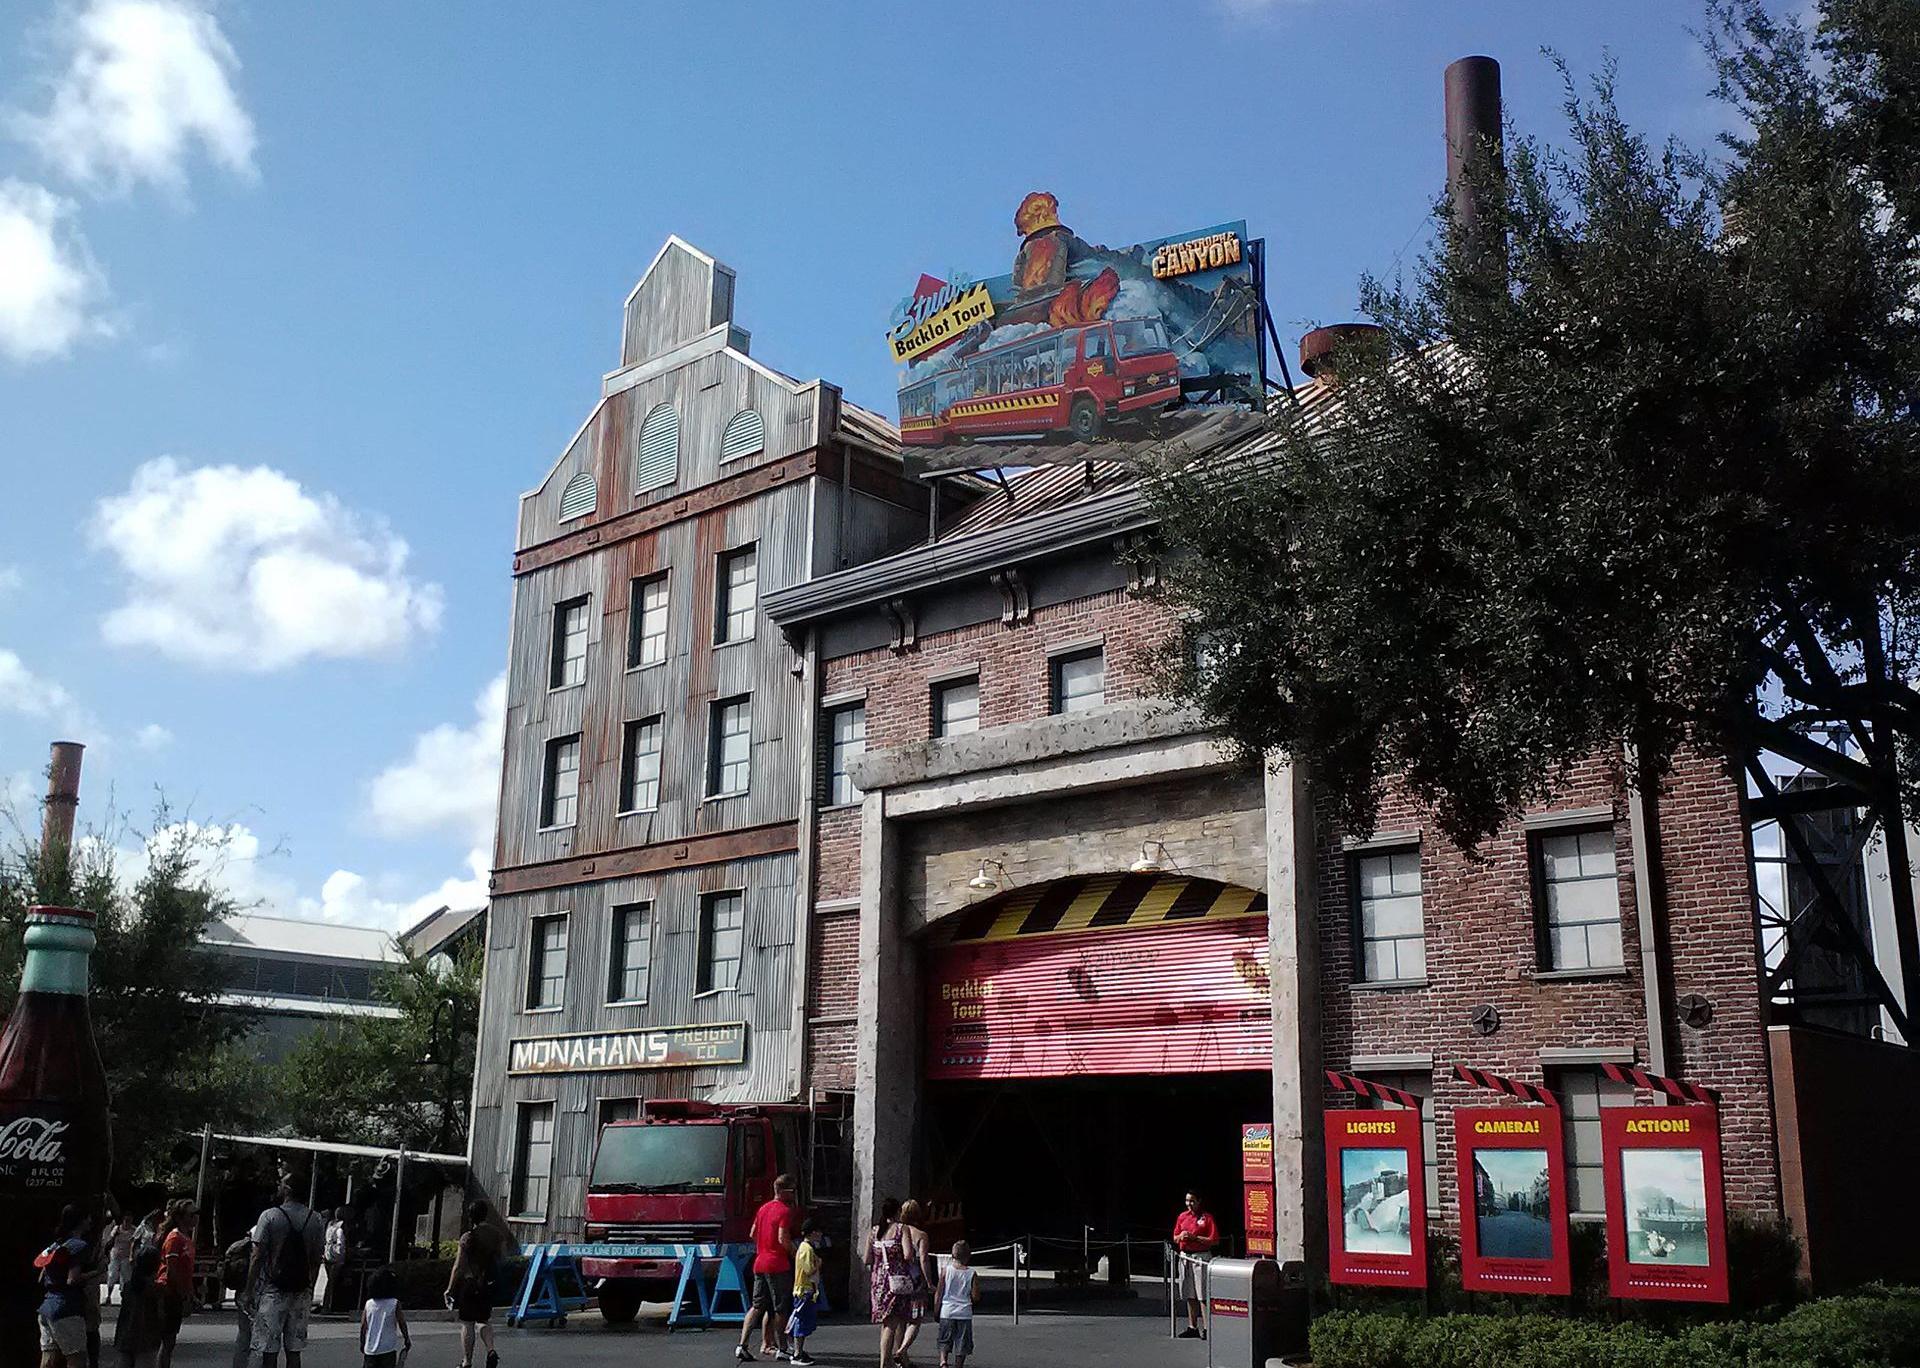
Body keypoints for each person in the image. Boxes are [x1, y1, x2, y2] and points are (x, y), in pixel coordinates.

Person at [244, 1175, 325, 1368]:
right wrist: (310, 1285)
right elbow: (316, 1257)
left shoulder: (270, 1216)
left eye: (281, 1183)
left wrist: (249, 1289)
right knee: (294, 1350)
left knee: (269, 1349)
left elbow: (257, 1256)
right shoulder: (315, 1218)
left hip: (273, 1288)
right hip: (301, 1289)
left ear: (287, 1189)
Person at [735, 1173, 798, 1364]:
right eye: (792, 1191)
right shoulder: (784, 1211)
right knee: (780, 1307)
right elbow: (782, 1238)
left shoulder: (763, 1209)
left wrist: (763, 1246)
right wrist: (795, 1253)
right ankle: (782, 1348)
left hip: (760, 1262)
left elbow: (753, 1233)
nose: (794, 1195)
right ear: (784, 1191)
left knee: (757, 1306)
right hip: (777, 1264)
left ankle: (742, 1345)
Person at [445, 1200, 502, 1368]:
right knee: (484, 1320)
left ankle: (467, 1361)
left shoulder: (468, 1237)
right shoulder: (496, 1234)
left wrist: (449, 1288)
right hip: (488, 1283)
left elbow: (458, 1266)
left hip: (470, 1284)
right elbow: (502, 1257)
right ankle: (491, 1350)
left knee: (468, 1323)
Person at [870, 1199, 926, 1368]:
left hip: (878, 1281)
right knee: (891, 1324)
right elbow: (908, 1254)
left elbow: (867, 1257)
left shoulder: (874, 1230)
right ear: (896, 1213)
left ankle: (886, 1361)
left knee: (886, 1323)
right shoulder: (902, 1229)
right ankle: (884, 1363)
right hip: (896, 1281)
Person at [34, 1205, 92, 1368]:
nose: (90, 1221)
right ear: (81, 1221)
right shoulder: (80, 1246)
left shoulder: (55, 1245)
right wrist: (96, 1273)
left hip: (47, 1308)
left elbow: (41, 1278)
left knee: (48, 1361)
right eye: (88, 1218)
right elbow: (72, 1280)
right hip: (68, 1309)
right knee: (77, 1359)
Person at [154, 1200, 198, 1368]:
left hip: (178, 1293)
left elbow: (187, 1271)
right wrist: (183, 1295)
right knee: (166, 1339)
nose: (195, 1218)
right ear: (181, 1218)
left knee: (170, 1341)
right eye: (191, 1215)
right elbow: (172, 1271)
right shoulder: (174, 1238)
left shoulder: (187, 1238)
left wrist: (192, 1294)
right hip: (169, 1293)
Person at [1171, 1190, 1218, 1340]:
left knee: (1202, 1293)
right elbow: (1175, 1236)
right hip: (1186, 1256)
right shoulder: (1182, 1216)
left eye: (1192, 1201)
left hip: (1200, 1257)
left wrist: (1195, 1238)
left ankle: (1206, 1327)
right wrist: (1181, 1237)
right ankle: (1192, 1326)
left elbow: (1214, 1240)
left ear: (1199, 1201)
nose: (1189, 1204)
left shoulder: (1207, 1218)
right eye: (1187, 1201)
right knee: (1189, 1292)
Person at [894, 1200, 933, 1366]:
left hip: (899, 1279)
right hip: (916, 1280)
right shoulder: (921, 1235)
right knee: (915, 1319)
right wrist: (929, 1282)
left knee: (900, 1319)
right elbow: (924, 1259)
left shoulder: (896, 1231)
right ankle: (902, 1351)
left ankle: (902, 1360)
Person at [111, 1243, 163, 1368]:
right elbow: (160, 1314)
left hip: (126, 1335)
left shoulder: (129, 1286)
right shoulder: (155, 1289)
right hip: (147, 1337)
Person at [785, 1216, 824, 1368]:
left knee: (804, 1321)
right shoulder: (807, 1249)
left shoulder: (805, 1247)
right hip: (804, 1290)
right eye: (818, 1231)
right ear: (813, 1232)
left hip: (807, 1290)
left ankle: (798, 1350)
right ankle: (797, 1353)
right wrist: (818, 1264)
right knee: (800, 1322)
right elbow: (808, 1270)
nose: (820, 1234)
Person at [935, 1242, 978, 1368]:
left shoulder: (945, 1271)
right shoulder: (972, 1273)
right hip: (964, 1312)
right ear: (968, 1256)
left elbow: (939, 1293)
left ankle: (943, 1361)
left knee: (944, 1339)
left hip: (947, 1311)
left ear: (952, 1255)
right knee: (962, 1342)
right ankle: (958, 1365)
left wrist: (937, 1310)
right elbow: (976, 1296)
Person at [359, 1267, 410, 1368]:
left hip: (370, 1349)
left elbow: (363, 1325)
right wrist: (406, 1338)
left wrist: (362, 1342)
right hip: (387, 1348)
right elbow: (402, 1323)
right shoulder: (394, 1303)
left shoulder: (369, 1304)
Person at [321, 1210, 347, 1314]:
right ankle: (328, 1305)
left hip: (328, 1254)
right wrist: (342, 1255)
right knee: (332, 1282)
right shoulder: (340, 1229)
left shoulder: (330, 1226)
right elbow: (341, 1243)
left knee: (329, 1281)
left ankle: (326, 1304)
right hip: (335, 1257)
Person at [102, 1217, 130, 1309]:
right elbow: (110, 1240)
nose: (127, 1223)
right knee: (112, 1275)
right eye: (126, 1220)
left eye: (129, 1221)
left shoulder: (133, 1230)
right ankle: (108, 1296)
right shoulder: (117, 1228)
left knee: (125, 1277)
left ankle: (124, 1298)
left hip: (126, 1256)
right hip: (115, 1255)